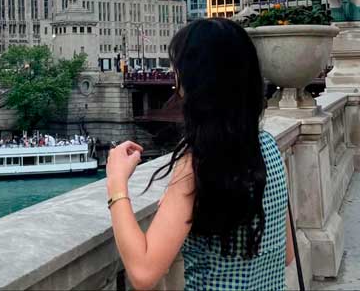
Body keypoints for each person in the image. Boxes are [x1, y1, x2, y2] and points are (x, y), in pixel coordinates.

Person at [105, 18, 293, 291]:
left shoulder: (198, 166)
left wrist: (116, 182)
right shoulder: (268, 148)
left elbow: (144, 273)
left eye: (178, 69)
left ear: (196, 82)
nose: (175, 79)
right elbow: (286, 252)